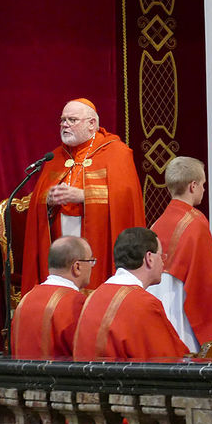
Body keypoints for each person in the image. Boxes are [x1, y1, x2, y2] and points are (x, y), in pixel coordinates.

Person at [21, 98, 145, 295]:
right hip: (61, 238)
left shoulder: (116, 153)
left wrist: (84, 196)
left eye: (72, 120)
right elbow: (39, 199)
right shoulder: (55, 157)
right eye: (62, 120)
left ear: (92, 124)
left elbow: (125, 200)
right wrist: (48, 199)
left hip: (100, 238)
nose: (65, 125)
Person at [149, 156, 212, 353]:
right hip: (181, 310)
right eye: (203, 184)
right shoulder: (195, 221)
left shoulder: (156, 223)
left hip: (157, 305)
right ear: (193, 186)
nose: (204, 190)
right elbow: (206, 282)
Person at [73, 227, 188, 360]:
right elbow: (169, 359)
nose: (163, 262)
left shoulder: (93, 297)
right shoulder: (144, 304)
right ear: (149, 258)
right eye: (161, 255)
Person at [10, 235, 93, 360]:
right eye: (90, 261)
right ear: (77, 267)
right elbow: (86, 357)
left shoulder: (26, 299)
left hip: (23, 378)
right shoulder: (75, 303)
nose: (92, 266)